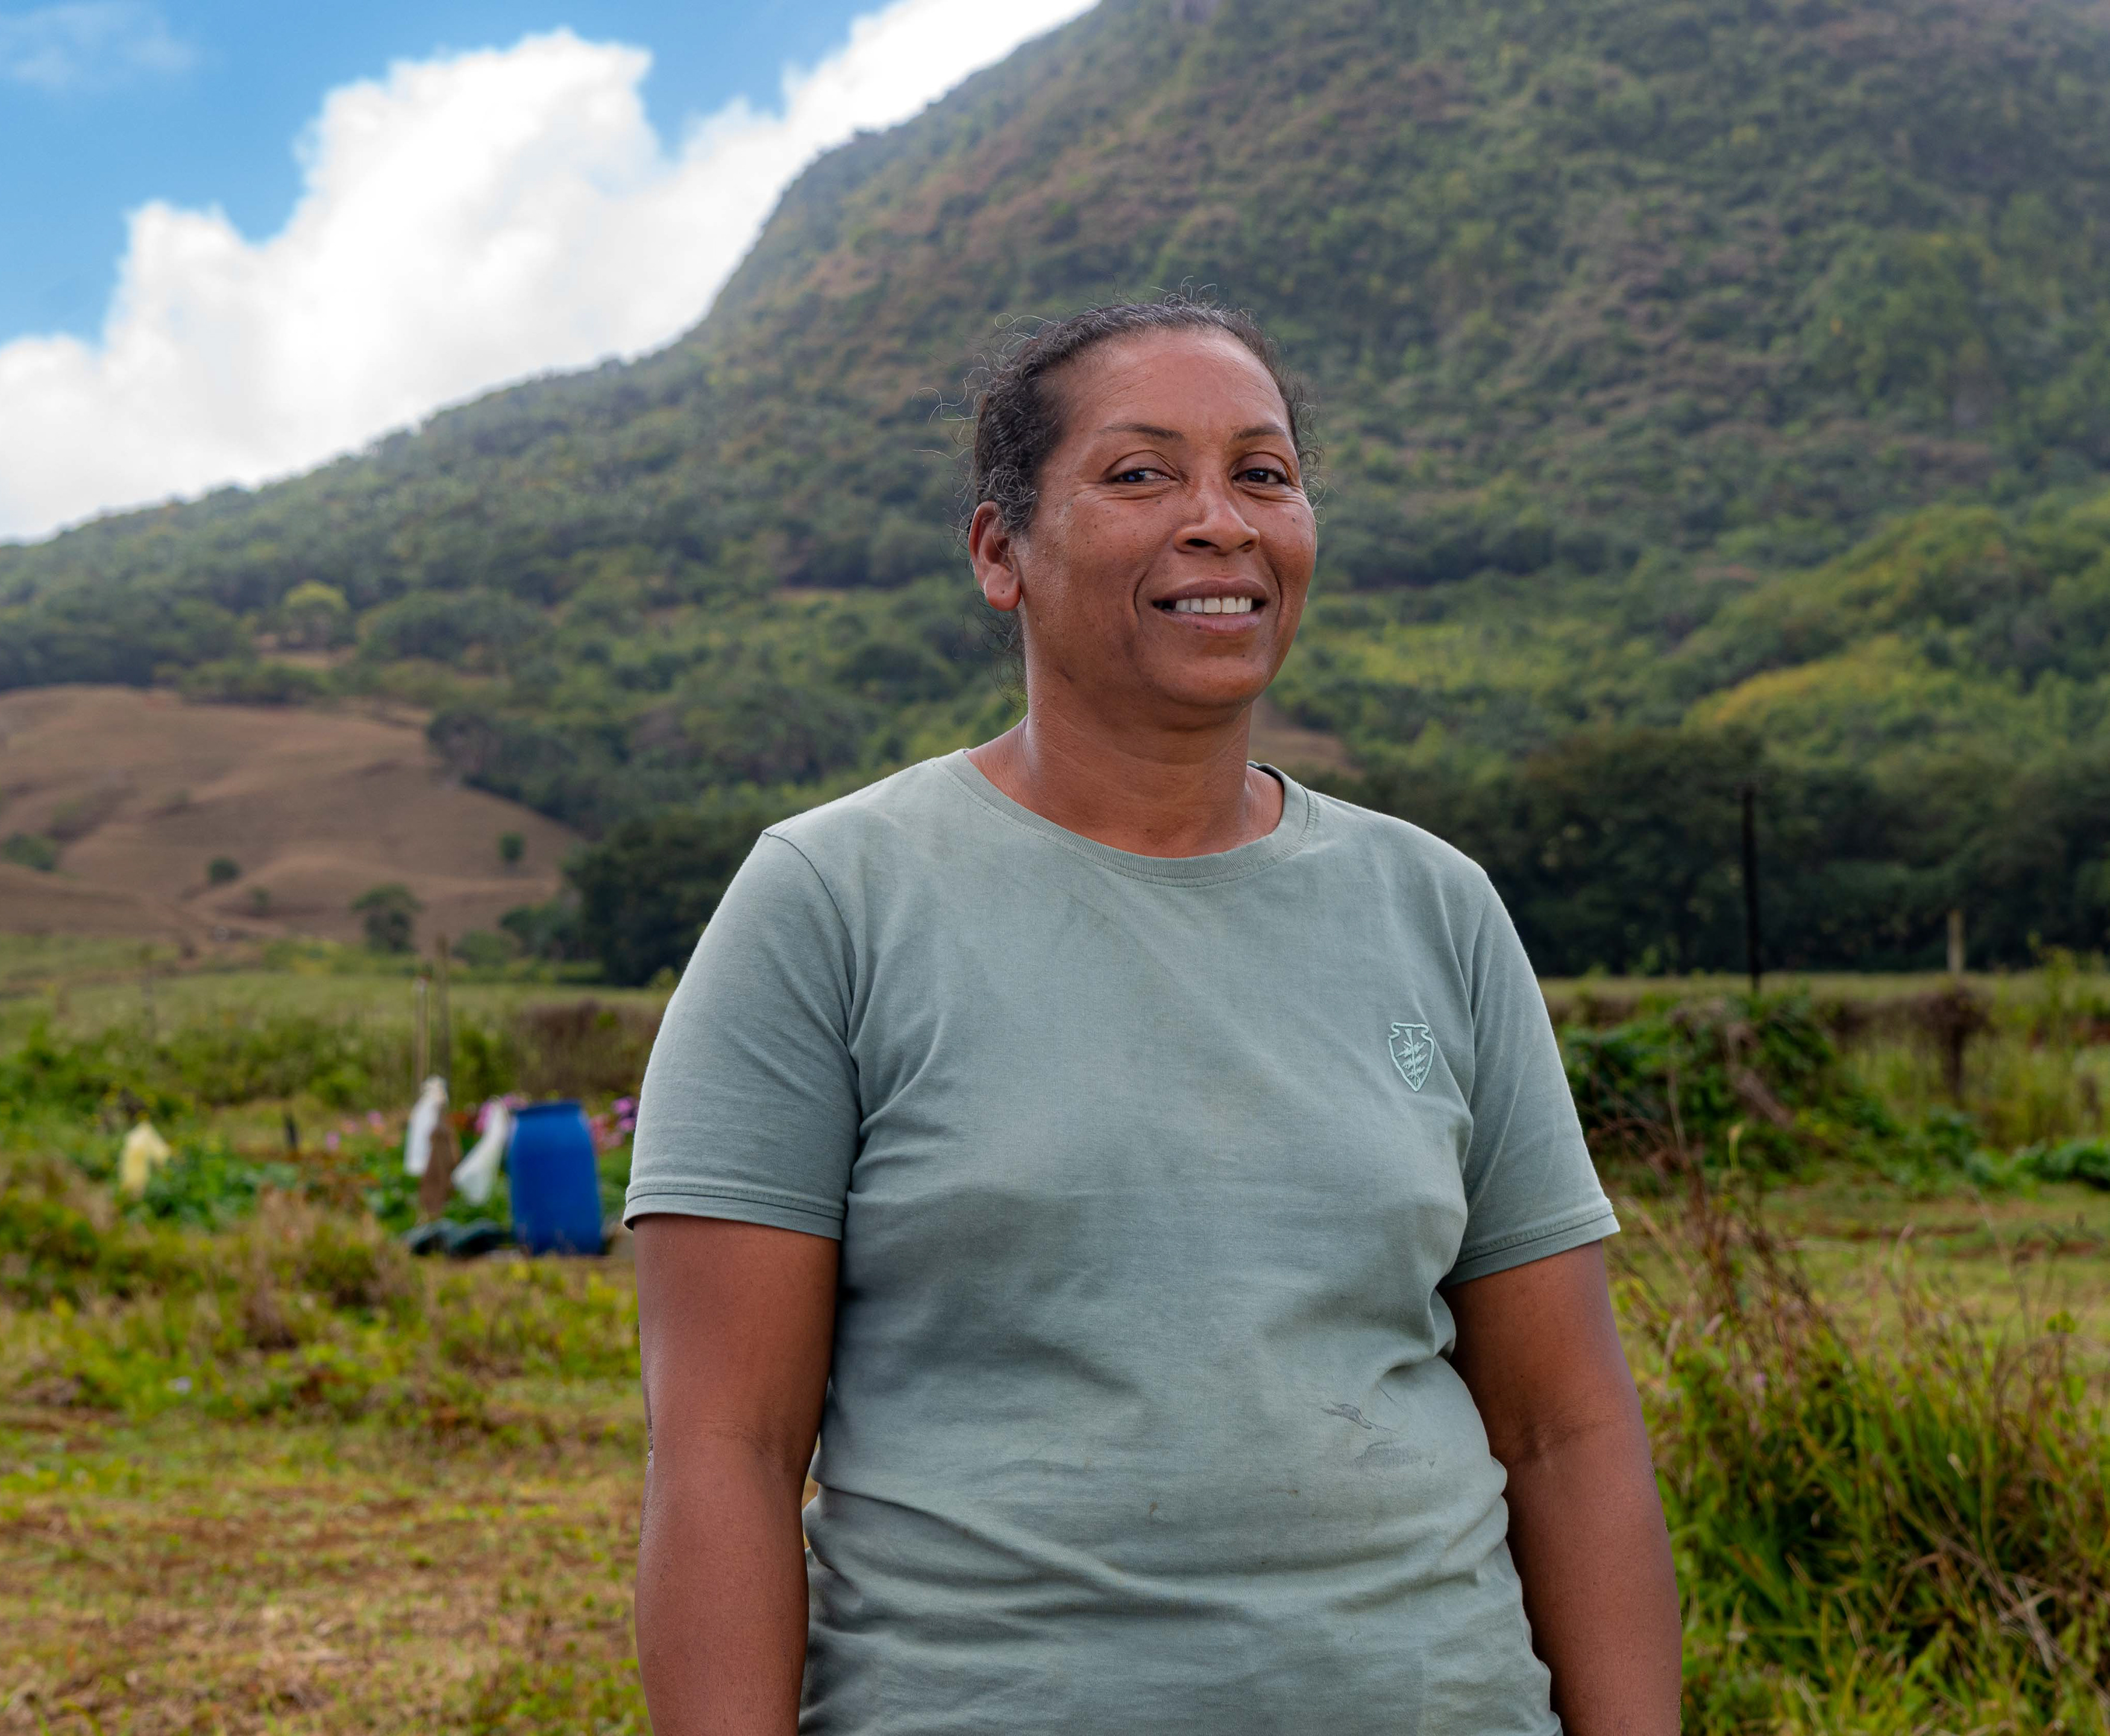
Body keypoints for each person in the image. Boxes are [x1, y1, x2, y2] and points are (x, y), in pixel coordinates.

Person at [627, 298, 1681, 1734]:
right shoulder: (831, 901)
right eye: (1140, 475)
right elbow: (726, 1451)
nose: (1222, 522)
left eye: (1263, 473)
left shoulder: (1433, 904)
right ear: (1002, 553)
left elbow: (1566, 1433)